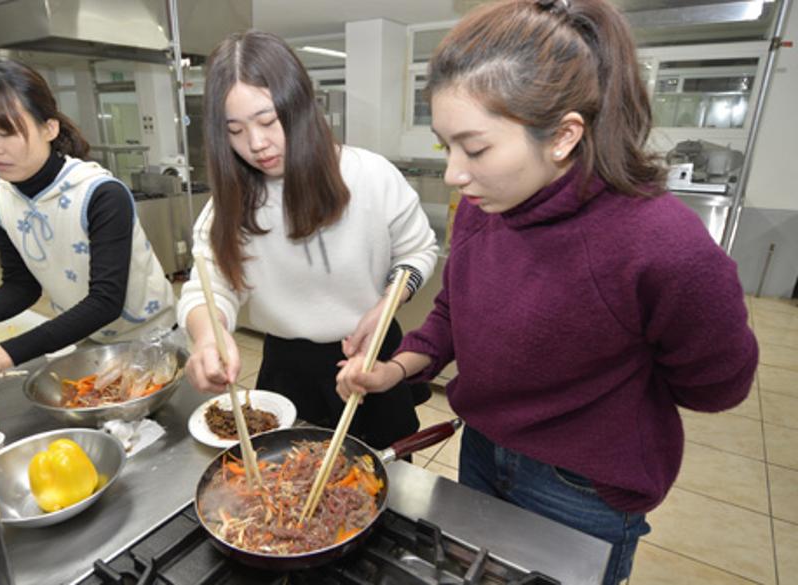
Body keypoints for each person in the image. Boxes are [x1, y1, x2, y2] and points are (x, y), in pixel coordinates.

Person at [335, 1, 758, 583]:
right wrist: (395, 369)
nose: (456, 171)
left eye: (475, 148)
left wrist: (616, 391)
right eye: (446, 146)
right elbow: (455, 313)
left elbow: (717, 386)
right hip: (483, 449)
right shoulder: (488, 206)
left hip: (582, 486)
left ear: (562, 136)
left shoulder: (662, 244)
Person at [178, 31, 438, 450]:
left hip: (369, 357)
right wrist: (209, 336)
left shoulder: (369, 175)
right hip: (287, 366)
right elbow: (207, 288)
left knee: (382, 485)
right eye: (235, 130)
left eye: (267, 121)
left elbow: (418, 250)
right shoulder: (228, 205)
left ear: (299, 105)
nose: (256, 144)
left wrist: (387, 302)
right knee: (289, 485)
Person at [0, 59, 176, 375]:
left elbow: (105, 301)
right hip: (86, 337)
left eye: (6, 131)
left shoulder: (99, 194)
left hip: (151, 337)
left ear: (49, 128)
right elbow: (20, 287)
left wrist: (0, 356)